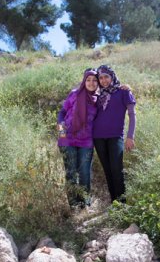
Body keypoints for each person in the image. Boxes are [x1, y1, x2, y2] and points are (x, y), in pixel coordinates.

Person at [93, 65, 136, 203]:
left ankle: (123, 205)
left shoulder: (124, 92)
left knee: (117, 171)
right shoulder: (97, 95)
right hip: (98, 138)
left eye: (106, 76)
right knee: (108, 172)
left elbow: (132, 115)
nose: (104, 80)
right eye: (101, 77)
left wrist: (130, 136)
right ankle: (115, 204)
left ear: (112, 76)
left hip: (115, 137)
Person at [57, 68, 98, 209]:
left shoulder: (99, 100)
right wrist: (61, 132)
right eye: (88, 80)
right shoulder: (75, 94)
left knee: (85, 173)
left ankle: (85, 204)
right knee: (71, 173)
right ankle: (73, 205)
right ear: (84, 81)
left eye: (94, 80)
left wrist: (124, 87)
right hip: (67, 139)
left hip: (86, 142)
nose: (91, 83)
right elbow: (62, 113)